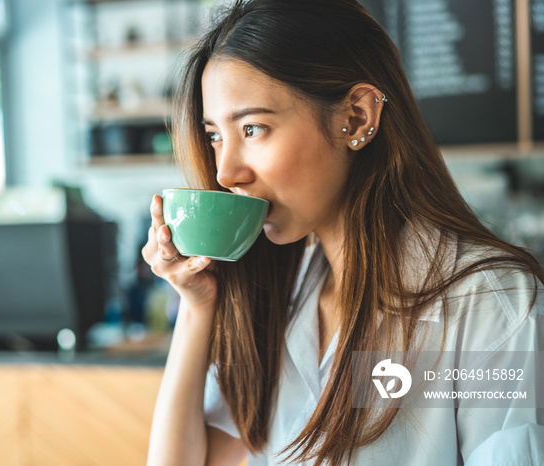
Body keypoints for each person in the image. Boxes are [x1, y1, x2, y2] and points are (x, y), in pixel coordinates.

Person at [141, 1, 544, 465]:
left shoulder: (491, 302)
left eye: (253, 128)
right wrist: (196, 306)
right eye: (215, 136)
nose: (227, 172)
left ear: (355, 117)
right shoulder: (279, 292)